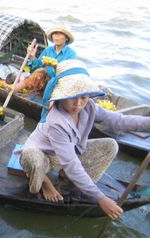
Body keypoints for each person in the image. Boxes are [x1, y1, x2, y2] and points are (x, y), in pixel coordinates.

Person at [19, 59, 150, 220]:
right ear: (61, 96)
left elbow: (120, 121)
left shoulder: (89, 107)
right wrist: (101, 198)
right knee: (33, 159)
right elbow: (71, 163)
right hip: (43, 155)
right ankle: (46, 183)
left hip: (66, 154)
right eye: (72, 97)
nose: (78, 103)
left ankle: (70, 179)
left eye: (83, 97)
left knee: (110, 145)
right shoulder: (56, 121)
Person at [15, 24, 76, 94]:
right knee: (40, 71)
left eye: (60, 34)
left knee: (41, 72)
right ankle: (17, 87)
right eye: (55, 34)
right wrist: (32, 57)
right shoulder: (48, 50)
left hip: (58, 84)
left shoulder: (71, 54)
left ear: (66, 38)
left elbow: (69, 74)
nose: (56, 36)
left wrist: (56, 67)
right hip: (43, 81)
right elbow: (36, 69)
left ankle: (16, 88)